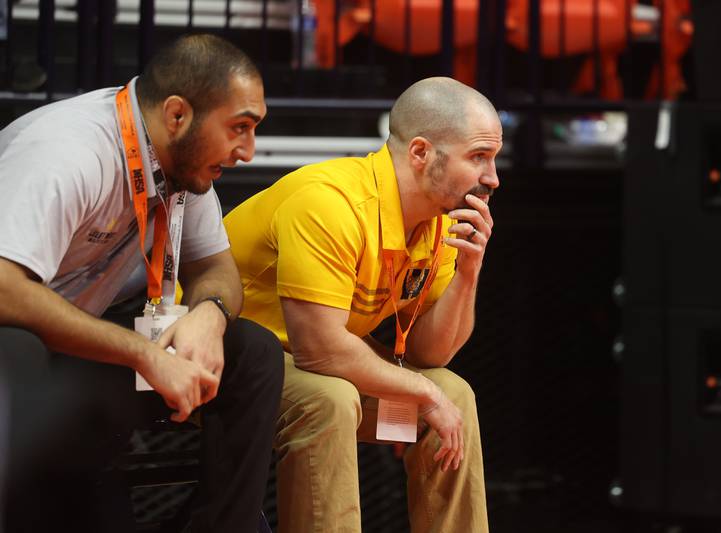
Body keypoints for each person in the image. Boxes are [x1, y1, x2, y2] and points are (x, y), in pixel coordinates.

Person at [0, 34, 284, 533]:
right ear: (178, 115)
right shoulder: (68, 151)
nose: (248, 151)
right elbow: (4, 288)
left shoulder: (184, 164)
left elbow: (218, 271)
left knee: (253, 353)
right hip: (18, 355)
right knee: (16, 349)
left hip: (78, 354)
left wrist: (208, 316)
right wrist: (143, 353)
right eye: (239, 128)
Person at [224, 76, 502, 532]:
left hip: (307, 356)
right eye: (479, 157)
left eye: (493, 159)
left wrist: (469, 272)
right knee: (331, 398)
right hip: (219, 355)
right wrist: (422, 392)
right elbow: (320, 349)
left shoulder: (441, 219)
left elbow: (429, 355)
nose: (492, 178)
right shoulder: (331, 201)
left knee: (454, 392)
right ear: (420, 153)